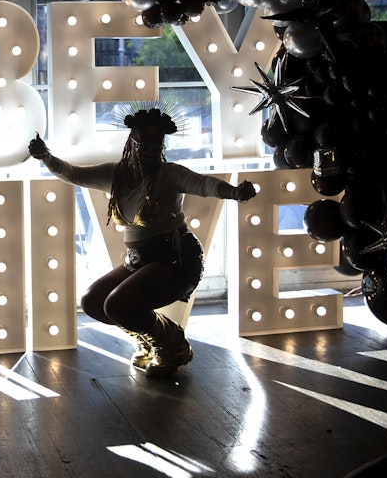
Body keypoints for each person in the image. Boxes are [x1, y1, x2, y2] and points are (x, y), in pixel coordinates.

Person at [28, 106, 257, 377]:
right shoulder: (115, 175)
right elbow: (74, 174)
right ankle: (149, 338)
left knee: (116, 305)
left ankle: (171, 346)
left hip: (175, 259)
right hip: (139, 261)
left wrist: (233, 192)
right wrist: (46, 157)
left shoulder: (169, 174)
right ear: (131, 141)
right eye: (142, 143)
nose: (148, 150)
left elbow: (202, 184)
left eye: (155, 144)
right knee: (93, 301)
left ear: (161, 146)